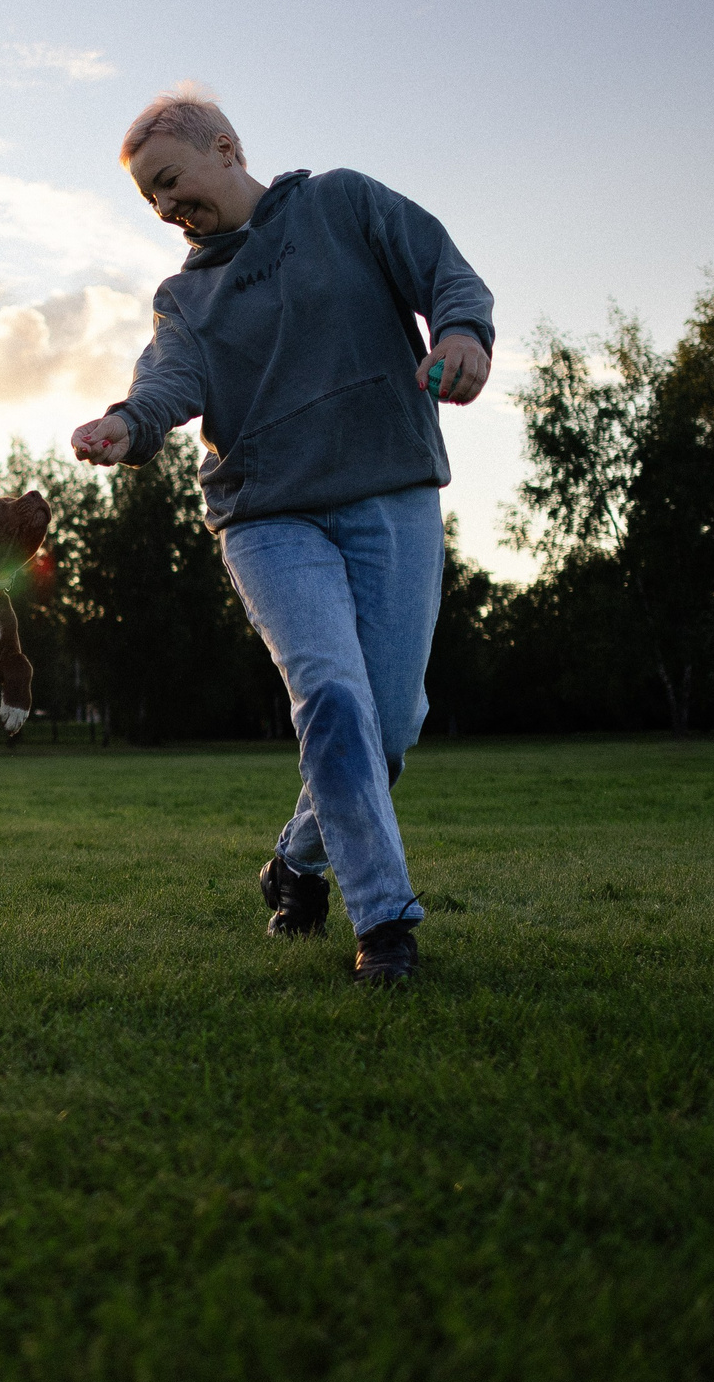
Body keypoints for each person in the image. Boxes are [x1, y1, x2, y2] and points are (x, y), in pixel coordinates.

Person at [71, 88, 494, 984]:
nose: (164, 207)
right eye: (150, 198)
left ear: (226, 147)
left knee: (391, 721)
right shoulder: (185, 296)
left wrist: (461, 336)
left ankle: (298, 864)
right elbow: (169, 380)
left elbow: (444, 269)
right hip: (267, 518)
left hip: (391, 491)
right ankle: (385, 927)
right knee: (334, 699)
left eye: (171, 180)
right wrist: (129, 423)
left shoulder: (341, 203)